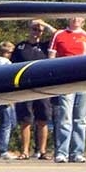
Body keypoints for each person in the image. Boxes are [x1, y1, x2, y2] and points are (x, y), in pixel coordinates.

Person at [47, 16, 86, 163]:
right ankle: (62, 152)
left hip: (84, 82)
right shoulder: (59, 35)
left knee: (80, 119)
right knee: (65, 118)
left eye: (79, 17)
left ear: (83, 20)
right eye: (73, 16)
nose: (76, 19)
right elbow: (51, 58)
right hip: (66, 82)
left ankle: (78, 152)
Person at [13, 21, 55, 159]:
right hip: (25, 87)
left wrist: (45, 24)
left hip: (42, 87)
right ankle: (25, 151)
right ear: (29, 30)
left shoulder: (46, 46)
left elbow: (58, 35)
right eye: (34, 29)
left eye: (39, 30)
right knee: (26, 120)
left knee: (43, 119)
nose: (37, 32)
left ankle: (42, 151)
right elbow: (12, 67)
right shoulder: (20, 47)